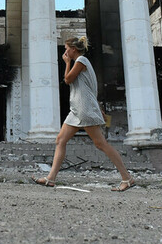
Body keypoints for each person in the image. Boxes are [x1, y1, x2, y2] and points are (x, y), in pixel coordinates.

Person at [33, 36, 136, 192]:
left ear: (73, 49)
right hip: (76, 109)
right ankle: (50, 178)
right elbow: (88, 88)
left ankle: (127, 178)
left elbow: (67, 79)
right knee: (60, 140)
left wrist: (67, 63)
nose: (65, 52)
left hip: (84, 109)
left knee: (101, 144)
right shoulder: (82, 62)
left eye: (66, 49)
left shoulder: (81, 60)